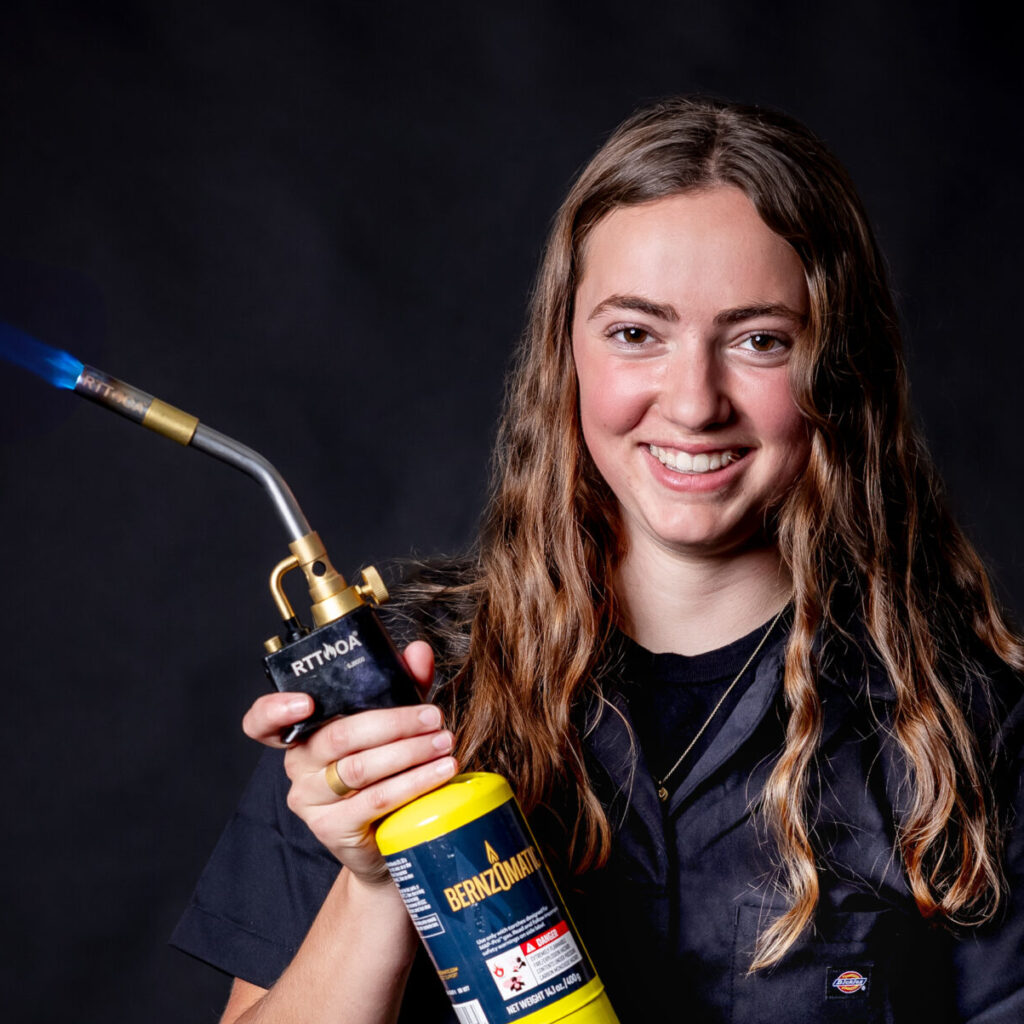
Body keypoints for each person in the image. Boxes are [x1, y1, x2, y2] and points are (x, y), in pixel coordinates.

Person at [172, 97, 1024, 1023]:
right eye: (635, 333)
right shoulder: (390, 694)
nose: (694, 403)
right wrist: (380, 882)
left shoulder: (966, 727)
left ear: (838, 365)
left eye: (760, 340)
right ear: (564, 352)